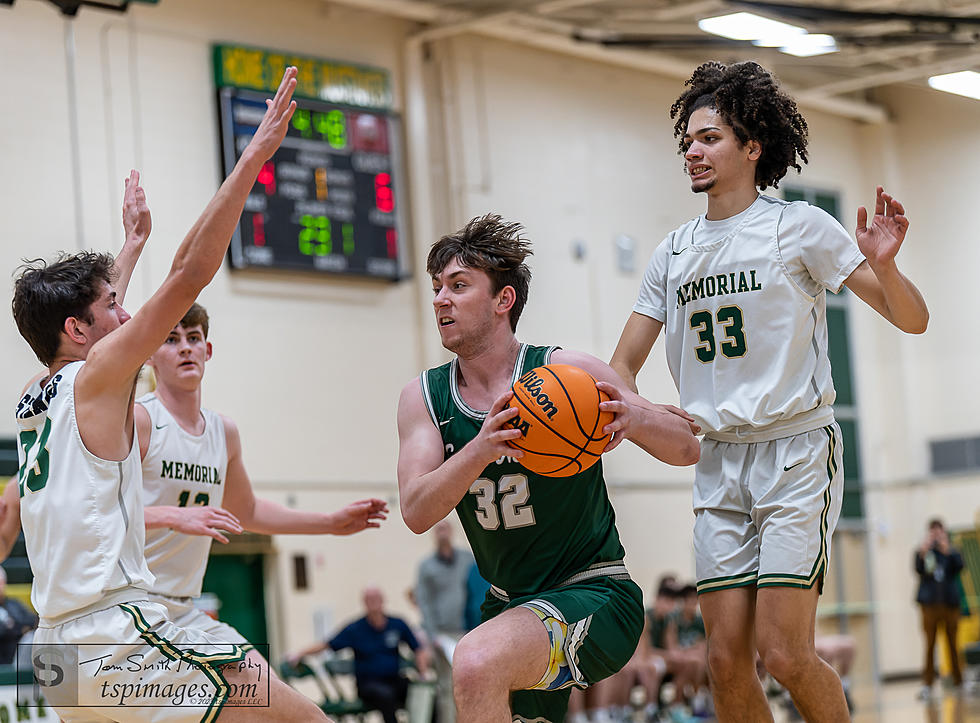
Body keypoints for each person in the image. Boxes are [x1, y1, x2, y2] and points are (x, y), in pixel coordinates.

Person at [609, 61, 928, 723]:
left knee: (782, 650)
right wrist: (630, 413)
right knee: (724, 663)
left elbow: (911, 318)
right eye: (688, 141)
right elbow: (621, 367)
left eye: (709, 138)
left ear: (752, 147)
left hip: (795, 453)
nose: (692, 151)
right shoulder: (673, 252)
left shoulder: (800, 227)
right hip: (719, 459)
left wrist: (886, 265)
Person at [12, 67, 327, 720]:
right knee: (301, 716)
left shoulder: (34, 394)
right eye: (111, 305)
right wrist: (251, 159)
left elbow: (92, 322)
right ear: (78, 328)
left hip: (56, 654)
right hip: (115, 634)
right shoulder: (98, 377)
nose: (125, 315)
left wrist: (128, 247)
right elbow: (190, 273)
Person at [396, 214, 701, 722]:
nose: (440, 300)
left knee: (473, 661)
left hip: (594, 591)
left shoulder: (566, 371)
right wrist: (481, 448)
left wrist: (635, 415)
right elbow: (415, 510)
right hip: (509, 606)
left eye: (458, 285)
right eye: (436, 288)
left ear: (503, 300)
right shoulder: (423, 397)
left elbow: (686, 448)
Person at [137, 300, 388, 655]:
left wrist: (329, 523)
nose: (185, 349)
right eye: (171, 340)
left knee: (286, 705)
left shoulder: (223, 432)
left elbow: (247, 513)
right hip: (131, 603)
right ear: (149, 355)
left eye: (193, 338)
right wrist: (176, 516)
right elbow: (99, 512)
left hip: (184, 607)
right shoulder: (140, 421)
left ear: (207, 351)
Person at [287, 586, 430, 723]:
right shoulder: (356, 629)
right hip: (368, 685)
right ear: (364, 603)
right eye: (369, 599)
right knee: (385, 695)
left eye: (376, 598)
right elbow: (327, 644)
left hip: (394, 680)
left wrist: (423, 673)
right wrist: (300, 653)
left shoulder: (397, 624)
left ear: (383, 600)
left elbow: (418, 648)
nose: (373, 603)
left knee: (424, 692)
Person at [415, 520, 472, 723]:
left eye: (446, 529)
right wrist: (433, 636)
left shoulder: (467, 559)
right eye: (438, 529)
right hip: (443, 636)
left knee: (472, 683)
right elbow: (424, 602)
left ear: (452, 532)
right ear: (433, 534)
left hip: (468, 632)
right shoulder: (426, 566)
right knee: (448, 686)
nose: (443, 533)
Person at [915, 518, 964, 699]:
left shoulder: (951, 551)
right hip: (929, 606)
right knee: (929, 645)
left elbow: (960, 566)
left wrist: (947, 549)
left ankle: (959, 681)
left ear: (944, 531)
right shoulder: (924, 552)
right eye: (933, 531)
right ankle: (927, 684)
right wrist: (924, 551)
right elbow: (918, 569)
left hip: (950, 605)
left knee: (953, 644)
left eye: (939, 531)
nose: (936, 534)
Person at [0, 566, 37, 665]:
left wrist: (12, 627)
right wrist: (19, 629)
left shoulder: (14, 604)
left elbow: (33, 621)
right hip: (3, 659)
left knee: (30, 639)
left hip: (19, 657)